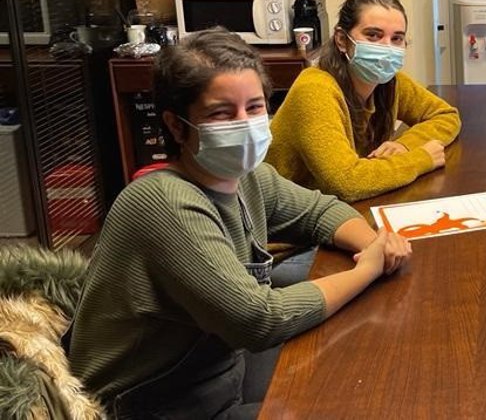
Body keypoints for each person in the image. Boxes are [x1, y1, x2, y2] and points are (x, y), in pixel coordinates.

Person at [69, 28, 410, 418]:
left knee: (356, 371)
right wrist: (367, 270)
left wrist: (373, 244)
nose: (244, 124)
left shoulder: (246, 178)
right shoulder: (164, 203)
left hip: (219, 370)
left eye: (254, 107)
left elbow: (320, 211)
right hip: (155, 405)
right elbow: (258, 321)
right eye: (221, 113)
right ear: (176, 125)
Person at [269, 0, 461, 202]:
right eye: (373, 35)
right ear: (342, 40)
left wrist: (405, 145)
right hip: (288, 212)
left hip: (336, 205)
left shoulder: (390, 81)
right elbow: (345, 181)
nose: (387, 48)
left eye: (397, 38)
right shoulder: (314, 90)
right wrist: (421, 158)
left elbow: (445, 115)